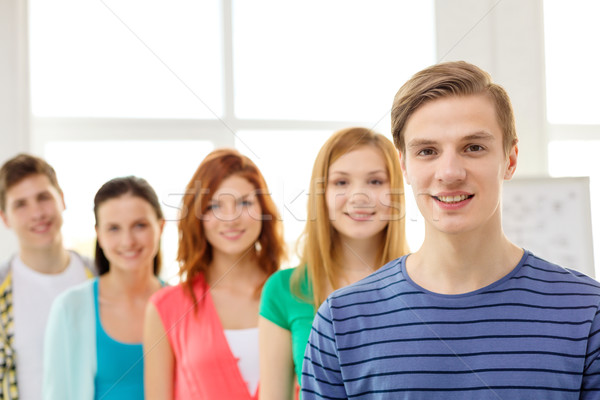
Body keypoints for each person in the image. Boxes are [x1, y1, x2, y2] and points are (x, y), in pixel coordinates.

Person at [301, 61, 600, 399]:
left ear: (511, 159)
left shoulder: (587, 311)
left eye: (473, 147)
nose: (450, 172)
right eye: (427, 151)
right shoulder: (341, 320)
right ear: (405, 167)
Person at [259, 127, 410, 399]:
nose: (359, 196)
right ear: (322, 194)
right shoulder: (283, 290)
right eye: (341, 183)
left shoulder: (427, 283)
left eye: (375, 182)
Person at [144, 148, 286, 400]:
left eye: (244, 202)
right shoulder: (166, 307)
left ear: (263, 210)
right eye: (214, 206)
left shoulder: (295, 294)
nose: (230, 218)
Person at [43, 176, 165, 399]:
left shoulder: (183, 304)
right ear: (99, 234)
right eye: (114, 228)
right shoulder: (70, 308)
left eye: (140, 225)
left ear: (161, 225)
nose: (128, 241)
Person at [0, 153, 96, 400]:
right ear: (5, 218)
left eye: (43, 197)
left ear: (62, 199)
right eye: (20, 204)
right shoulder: (2, 290)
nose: (37, 213)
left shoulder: (101, 277)